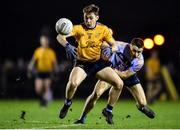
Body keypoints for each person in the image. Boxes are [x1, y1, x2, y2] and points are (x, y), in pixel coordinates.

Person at [56, 4, 123, 119]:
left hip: (98, 63)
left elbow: (115, 45)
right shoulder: (78, 28)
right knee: (73, 83)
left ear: (97, 17)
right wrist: (67, 45)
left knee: (119, 84)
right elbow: (59, 37)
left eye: (90, 18)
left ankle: (108, 110)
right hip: (82, 63)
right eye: (86, 17)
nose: (88, 20)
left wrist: (110, 49)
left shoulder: (103, 29)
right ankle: (67, 103)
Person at [74, 38, 155, 124]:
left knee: (143, 103)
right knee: (96, 94)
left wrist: (111, 68)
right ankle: (83, 118)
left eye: (139, 52)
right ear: (130, 46)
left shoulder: (139, 61)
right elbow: (104, 44)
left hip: (127, 75)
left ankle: (141, 107)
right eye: (134, 51)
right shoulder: (120, 46)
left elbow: (125, 75)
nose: (136, 54)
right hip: (110, 72)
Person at [28, 35, 58, 106]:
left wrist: (56, 72)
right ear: (41, 42)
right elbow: (33, 61)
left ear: (48, 42)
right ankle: (44, 99)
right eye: (43, 41)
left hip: (48, 72)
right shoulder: (37, 51)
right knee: (38, 89)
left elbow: (55, 63)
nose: (44, 42)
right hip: (39, 72)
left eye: (46, 41)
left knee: (46, 87)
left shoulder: (51, 52)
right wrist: (29, 69)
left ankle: (45, 101)